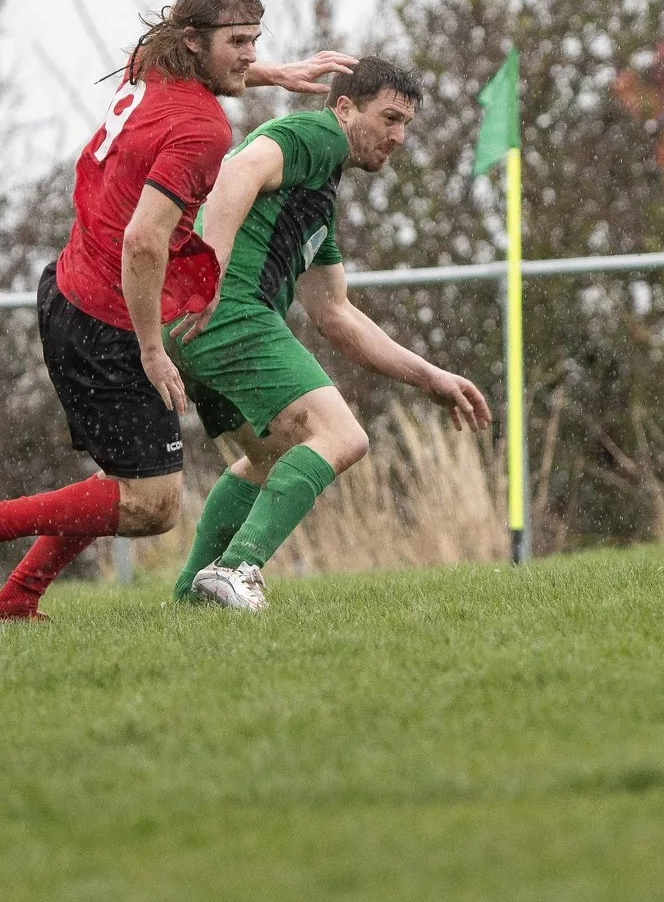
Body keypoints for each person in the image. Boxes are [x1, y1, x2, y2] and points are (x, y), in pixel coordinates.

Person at [0, 0, 352, 623]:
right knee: (153, 505)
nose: (247, 55)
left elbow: (200, 66)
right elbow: (145, 241)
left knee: (128, 480)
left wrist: (271, 74)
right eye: (237, 43)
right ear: (192, 41)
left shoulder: (151, 66)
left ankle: (16, 601)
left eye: (254, 42)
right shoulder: (202, 129)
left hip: (71, 291)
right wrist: (151, 348)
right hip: (108, 318)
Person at [170, 56, 491, 611]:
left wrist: (430, 377)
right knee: (343, 437)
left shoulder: (316, 197)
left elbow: (336, 314)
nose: (399, 136)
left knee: (268, 456)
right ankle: (237, 568)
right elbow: (238, 171)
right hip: (228, 311)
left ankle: (190, 599)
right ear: (344, 108)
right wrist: (211, 272)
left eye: (406, 125)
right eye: (389, 118)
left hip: (196, 325)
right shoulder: (318, 136)